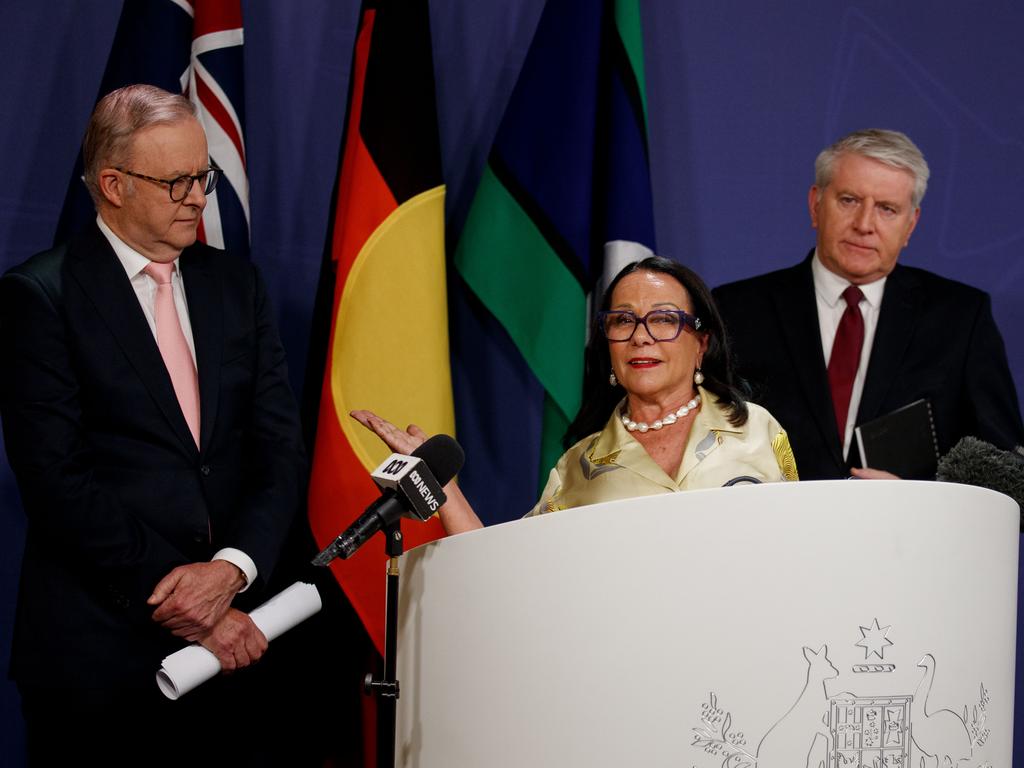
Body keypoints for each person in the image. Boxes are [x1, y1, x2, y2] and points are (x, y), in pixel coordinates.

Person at [0, 85, 305, 765]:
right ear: (112, 185)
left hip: (239, 655)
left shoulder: (236, 285)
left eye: (204, 176)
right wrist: (195, 604)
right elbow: (56, 481)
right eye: (176, 182)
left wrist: (232, 569)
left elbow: (278, 448)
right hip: (100, 662)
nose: (198, 197)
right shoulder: (40, 296)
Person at [353, 257, 798, 533]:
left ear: (701, 343)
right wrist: (442, 487)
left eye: (663, 319)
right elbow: (512, 576)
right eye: (623, 321)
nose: (641, 337)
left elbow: (800, 551)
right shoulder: (578, 466)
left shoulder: (757, 430)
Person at [713, 129, 1024, 480]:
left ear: (911, 224)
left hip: (908, 532)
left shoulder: (960, 318)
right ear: (816, 204)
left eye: (887, 209)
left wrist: (920, 497)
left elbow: (1009, 471)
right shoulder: (736, 310)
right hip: (773, 530)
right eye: (849, 200)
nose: (864, 224)